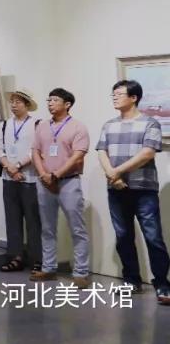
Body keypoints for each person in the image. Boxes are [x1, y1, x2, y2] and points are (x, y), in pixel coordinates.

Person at [96, 80, 170, 304]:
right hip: (116, 188)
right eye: (113, 94)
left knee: (153, 237)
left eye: (119, 94)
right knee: (123, 236)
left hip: (143, 188)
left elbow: (147, 153)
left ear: (134, 97)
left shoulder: (150, 123)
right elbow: (101, 151)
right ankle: (131, 280)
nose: (114, 97)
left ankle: (162, 284)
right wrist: (113, 175)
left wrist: (116, 171)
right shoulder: (109, 125)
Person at [30, 88, 92, 288]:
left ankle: (80, 272)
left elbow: (78, 156)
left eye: (55, 100)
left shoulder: (78, 127)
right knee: (47, 227)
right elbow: (35, 152)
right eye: (49, 100)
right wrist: (44, 174)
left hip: (68, 181)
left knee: (77, 228)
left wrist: (55, 175)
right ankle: (48, 268)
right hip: (44, 182)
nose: (50, 103)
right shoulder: (42, 126)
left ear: (67, 104)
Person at [0, 88, 43, 273]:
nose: (14, 105)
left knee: (33, 221)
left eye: (18, 101)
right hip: (9, 178)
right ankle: (15, 257)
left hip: (30, 179)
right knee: (12, 219)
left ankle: (37, 259)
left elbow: (36, 150)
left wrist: (18, 165)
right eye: (12, 101)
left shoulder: (37, 124)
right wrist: (9, 167)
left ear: (27, 105)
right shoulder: (4, 124)